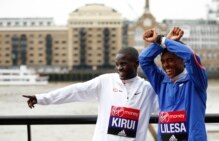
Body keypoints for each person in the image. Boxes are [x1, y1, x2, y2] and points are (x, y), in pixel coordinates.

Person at [23, 47, 158, 141]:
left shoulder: (148, 89)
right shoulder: (105, 81)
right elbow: (74, 91)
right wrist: (41, 98)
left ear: (136, 64)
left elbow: (169, 107)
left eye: (123, 64)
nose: (119, 68)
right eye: (117, 64)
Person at [139, 27, 208, 141]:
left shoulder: (196, 81)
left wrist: (163, 40)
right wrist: (163, 42)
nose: (166, 65)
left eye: (171, 60)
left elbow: (190, 56)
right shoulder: (161, 82)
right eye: (163, 61)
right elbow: (144, 59)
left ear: (182, 59)